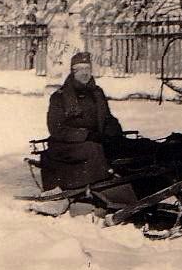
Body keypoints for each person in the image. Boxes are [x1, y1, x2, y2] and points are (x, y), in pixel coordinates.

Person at [44, 51, 125, 191]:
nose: (84, 73)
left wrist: (114, 130)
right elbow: (56, 129)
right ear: (72, 71)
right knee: (93, 149)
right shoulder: (60, 97)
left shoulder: (97, 93)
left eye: (87, 68)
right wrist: (86, 135)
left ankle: (134, 187)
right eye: (80, 69)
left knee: (127, 146)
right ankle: (103, 190)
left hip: (94, 140)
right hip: (65, 146)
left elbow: (107, 118)